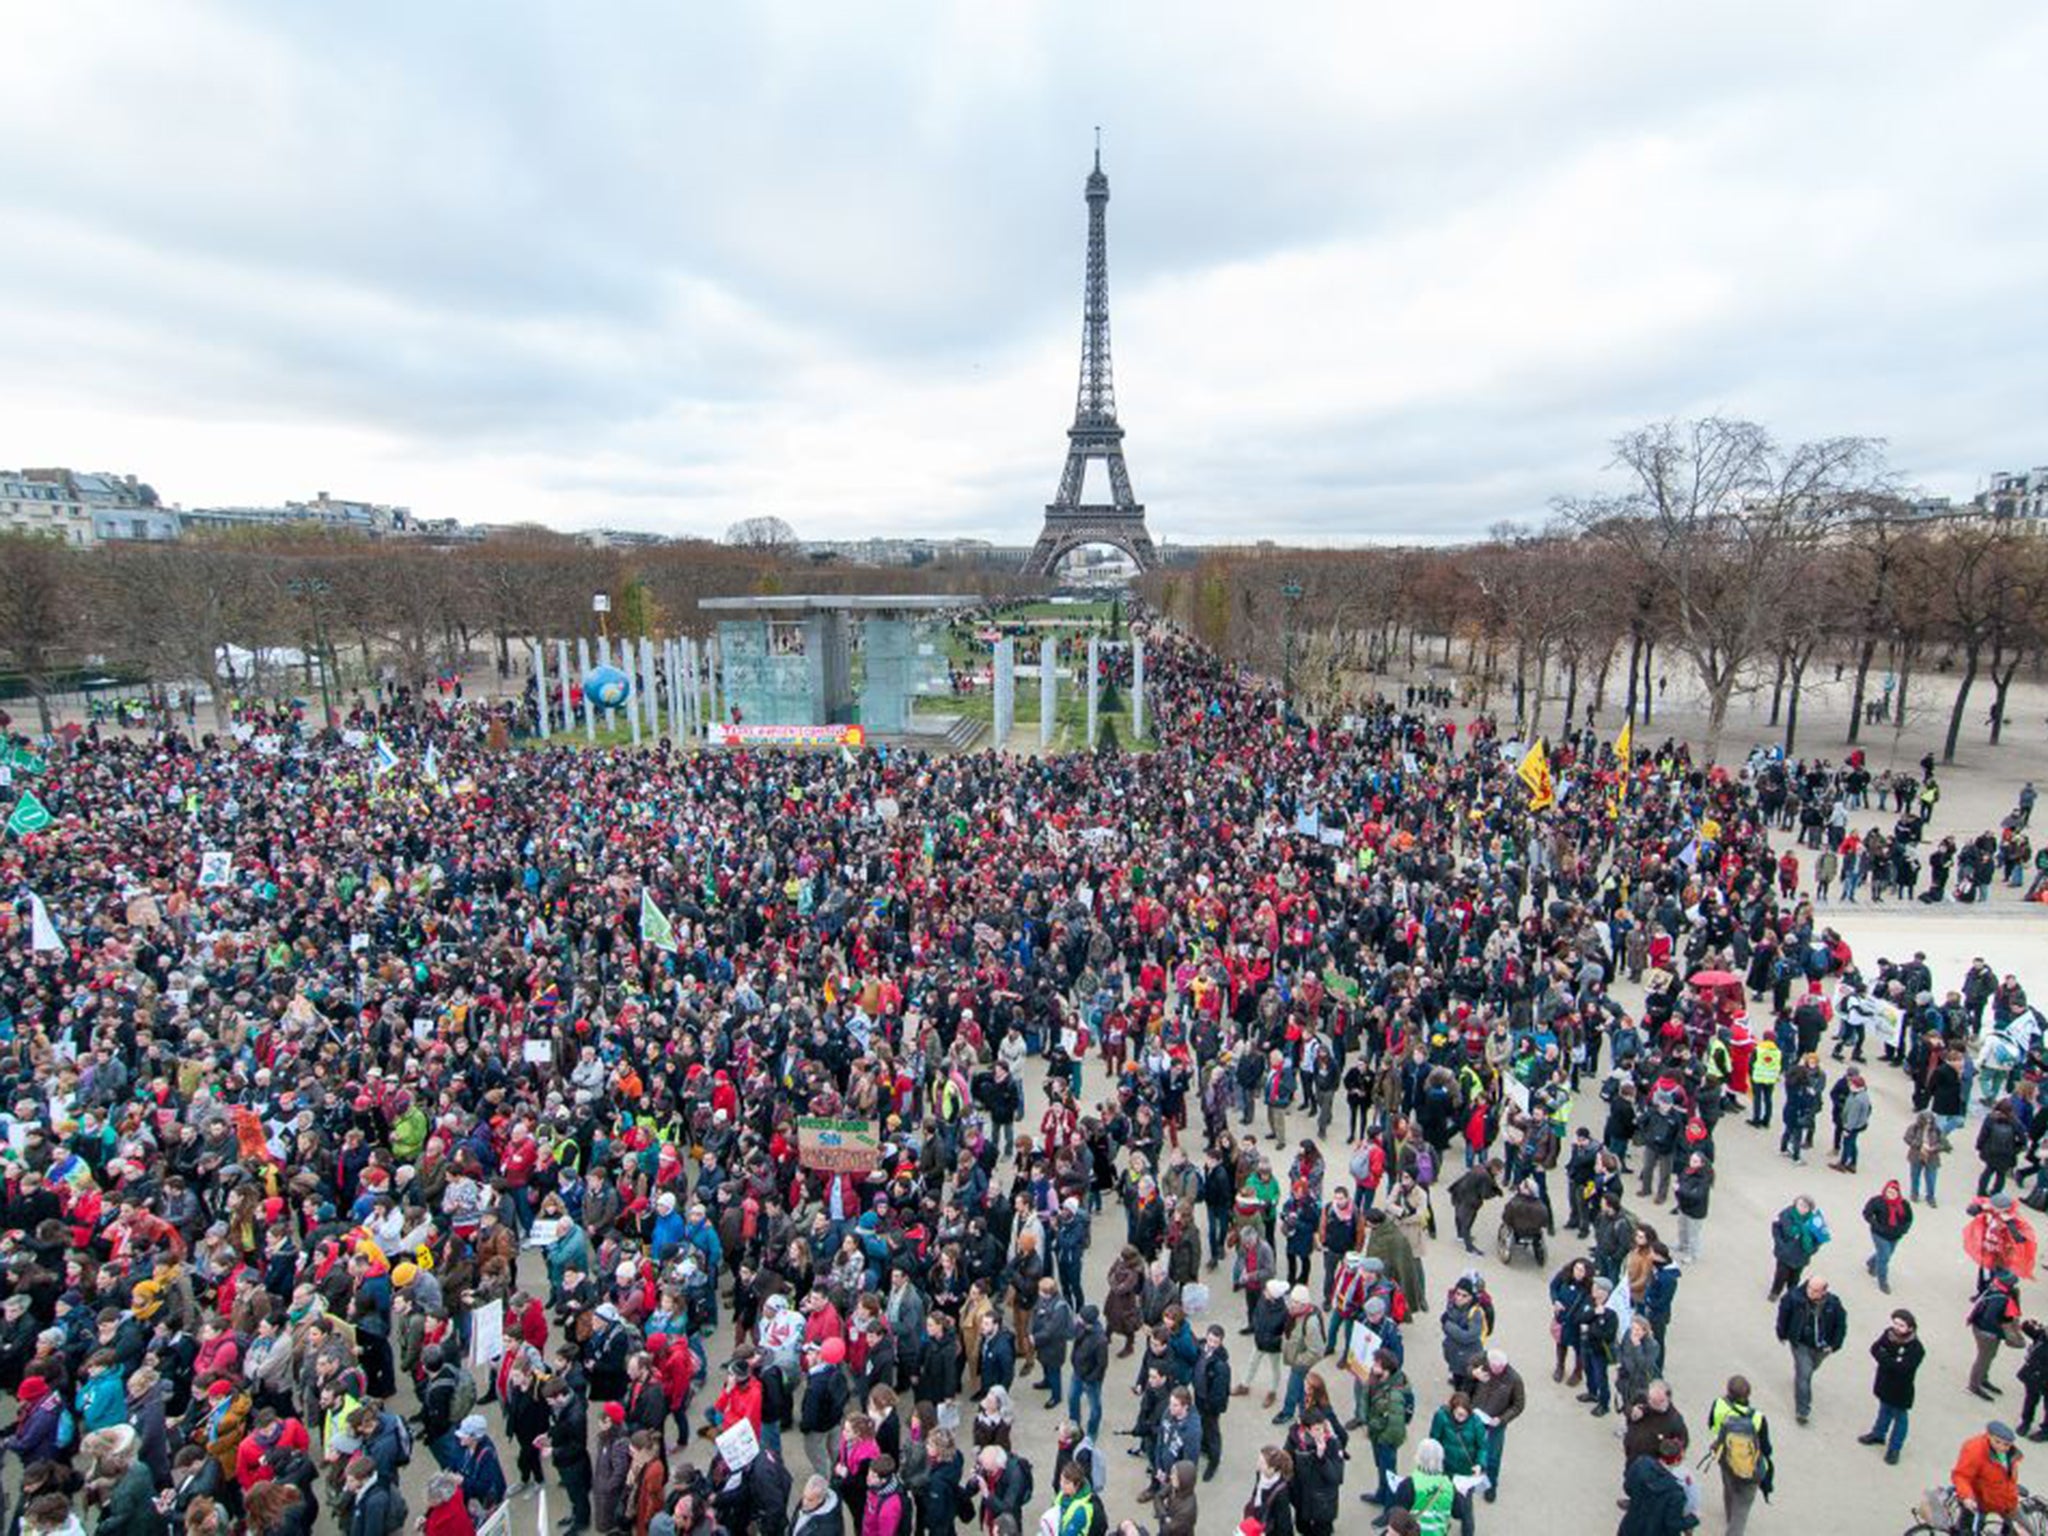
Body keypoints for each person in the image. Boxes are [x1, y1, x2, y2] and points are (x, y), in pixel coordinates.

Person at [1705, 1377, 1772, 1536]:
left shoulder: (1719, 1404)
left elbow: (1711, 1425)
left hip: (1726, 1458)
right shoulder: (1757, 1417)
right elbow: (1766, 1448)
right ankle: (1733, 1527)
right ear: (1748, 1394)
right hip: (1750, 1468)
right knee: (1742, 1511)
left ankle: (1729, 1515)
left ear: (1728, 1392)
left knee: (1729, 1487)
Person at [1775, 1277, 1847, 1426]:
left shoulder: (1833, 1303)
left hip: (1822, 1347)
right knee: (1805, 1373)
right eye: (1809, 1288)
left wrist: (1834, 1345)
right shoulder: (1794, 1298)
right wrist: (1781, 1333)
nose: (1810, 1292)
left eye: (1815, 1291)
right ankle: (1803, 1410)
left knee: (1812, 1367)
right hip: (1801, 1343)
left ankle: (1801, 1376)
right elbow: (1783, 1315)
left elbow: (1841, 1325)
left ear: (1824, 1291)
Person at [1860, 1309, 1925, 1465]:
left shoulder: (1916, 1348)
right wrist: (1889, 1360)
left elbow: (1903, 1369)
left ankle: (1895, 1448)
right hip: (1884, 1382)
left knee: (1900, 1418)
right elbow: (1875, 1349)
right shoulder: (1888, 1334)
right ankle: (1878, 1434)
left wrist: (1885, 1358)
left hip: (1901, 1389)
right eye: (1895, 1323)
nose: (1896, 1328)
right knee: (1883, 1409)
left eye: (1901, 1325)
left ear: (1910, 1328)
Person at [1952, 1422, 2024, 1532]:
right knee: (1968, 1529)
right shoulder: (1975, 1450)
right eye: (1998, 1442)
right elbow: (1961, 1476)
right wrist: (1967, 1497)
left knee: (2025, 1530)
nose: (2002, 1447)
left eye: (2007, 1444)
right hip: (1980, 1502)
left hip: (2006, 1501)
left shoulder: (2010, 1455)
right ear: (1989, 1436)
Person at [1861, 1180, 1913, 1294]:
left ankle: (1871, 1262)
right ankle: (1883, 1282)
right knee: (1884, 1257)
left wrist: (1904, 1230)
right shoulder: (1877, 1201)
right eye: (1888, 1192)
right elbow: (1867, 1213)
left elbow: (1909, 1219)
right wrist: (1876, 1225)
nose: (1890, 1194)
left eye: (1893, 1192)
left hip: (1895, 1236)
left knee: (1887, 1253)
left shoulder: (1904, 1204)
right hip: (1879, 1234)